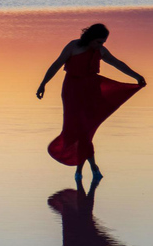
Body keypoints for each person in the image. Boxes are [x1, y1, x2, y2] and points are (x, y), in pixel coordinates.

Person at [36, 23, 146, 180]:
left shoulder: (100, 51)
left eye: (103, 42)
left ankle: (82, 171)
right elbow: (56, 64)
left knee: (85, 131)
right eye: (99, 42)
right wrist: (43, 84)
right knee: (75, 130)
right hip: (72, 92)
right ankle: (92, 168)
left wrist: (136, 76)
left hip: (91, 92)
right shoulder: (73, 46)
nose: (101, 45)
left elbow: (118, 64)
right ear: (90, 38)